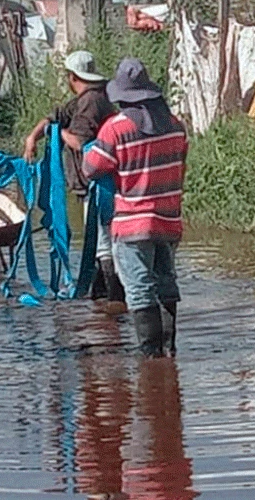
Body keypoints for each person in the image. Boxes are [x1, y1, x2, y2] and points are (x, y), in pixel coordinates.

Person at [83, 58, 188, 357]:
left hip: (132, 223)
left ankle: (150, 355)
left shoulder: (116, 129)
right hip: (169, 219)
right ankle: (169, 350)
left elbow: (91, 168)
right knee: (166, 283)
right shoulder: (176, 125)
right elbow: (181, 168)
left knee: (139, 288)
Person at [22, 51, 123, 305]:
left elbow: (79, 141)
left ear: (72, 76)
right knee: (101, 241)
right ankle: (100, 299)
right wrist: (33, 137)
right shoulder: (88, 98)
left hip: (101, 184)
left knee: (102, 243)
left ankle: (115, 300)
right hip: (97, 183)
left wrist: (58, 134)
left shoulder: (90, 101)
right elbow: (53, 116)